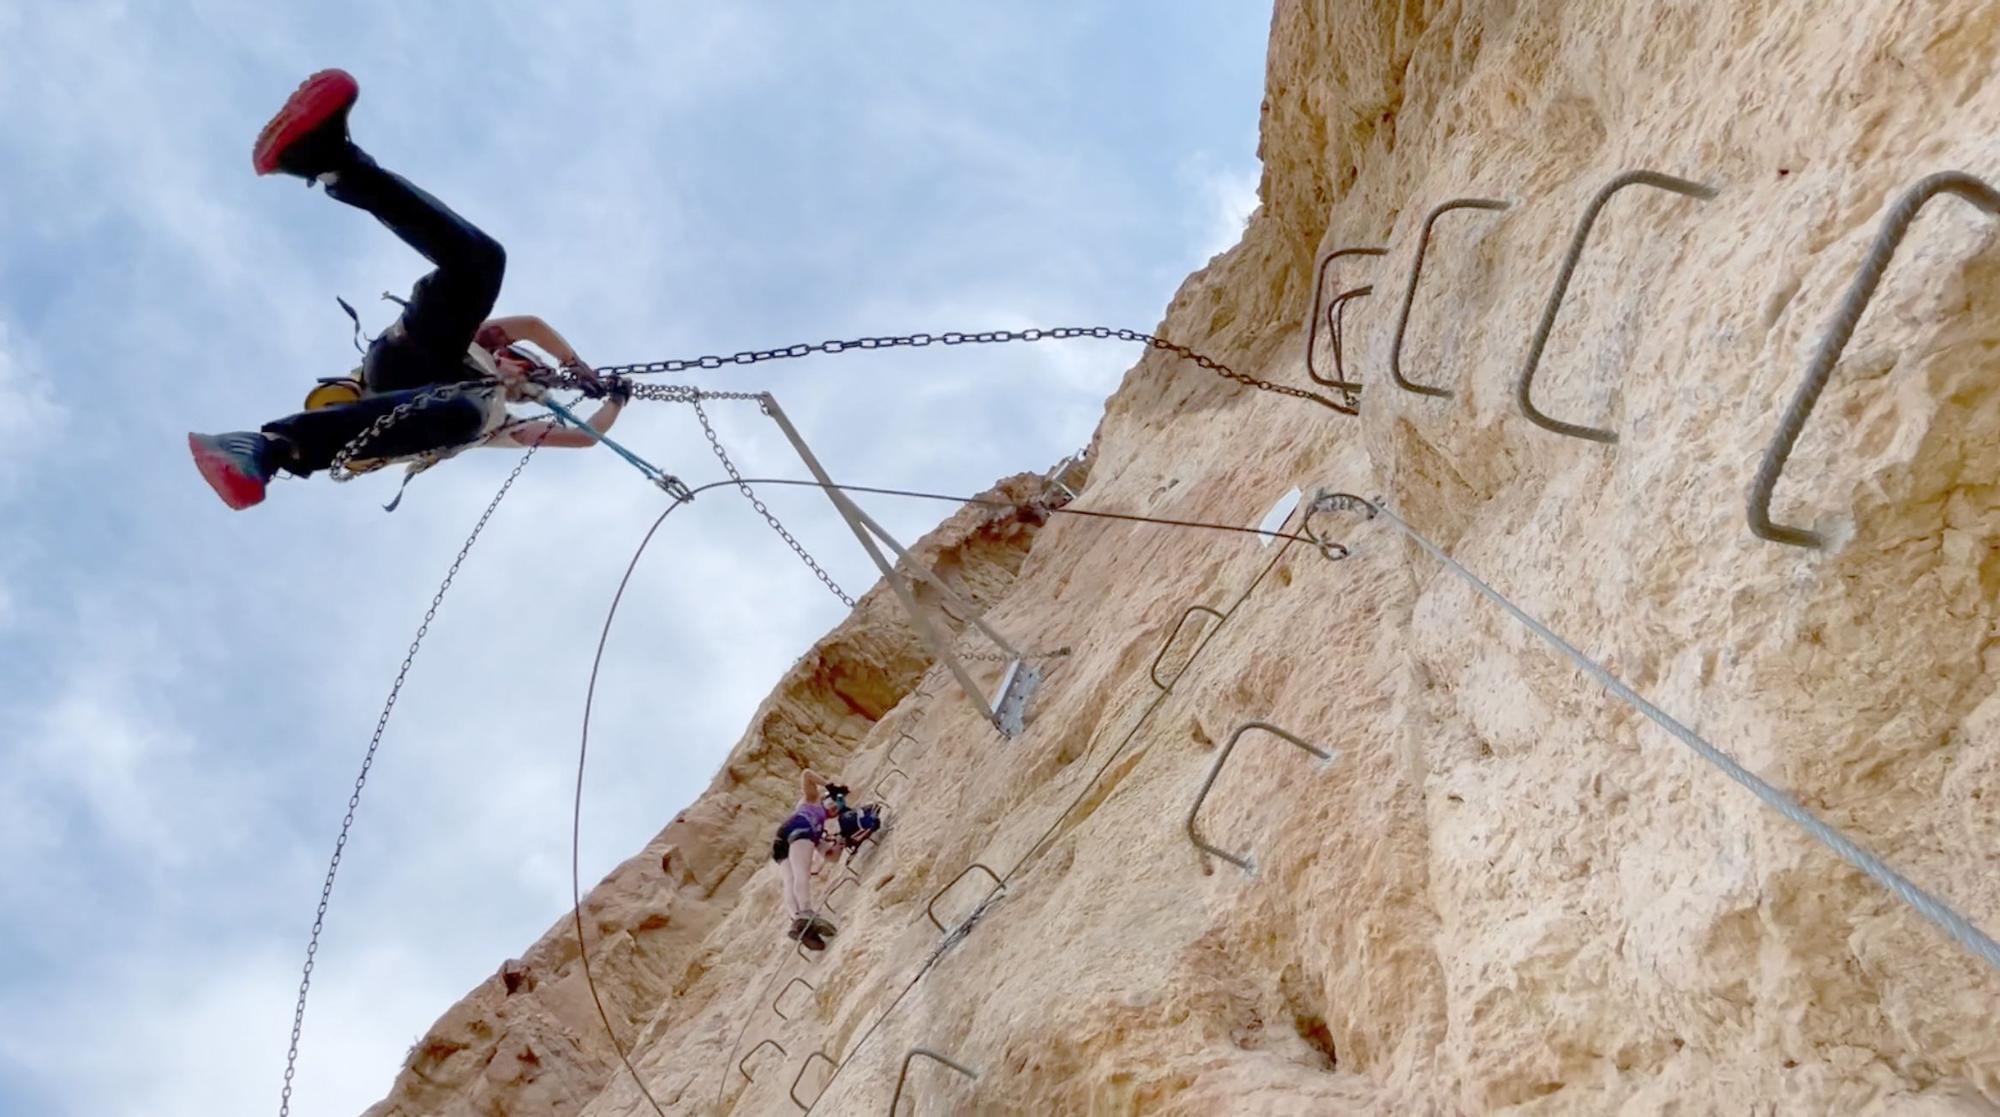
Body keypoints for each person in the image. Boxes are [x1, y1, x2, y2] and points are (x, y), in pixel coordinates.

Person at [187, 69, 623, 510]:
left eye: (528, 379)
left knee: (466, 416)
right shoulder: (480, 345)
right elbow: (529, 325)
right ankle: (331, 161)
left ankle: (273, 448)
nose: (521, 375)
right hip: (406, 354)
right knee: (482, 262)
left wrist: (616, 404)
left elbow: (581, 440)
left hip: (414, 403)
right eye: (524, 365)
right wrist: (576, 365)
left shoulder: (497, 421)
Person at [770, 767, 845, 950]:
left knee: (790, 880)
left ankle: (798, 921)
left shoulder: (818, 830)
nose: (835, 808)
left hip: (781, 841)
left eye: (838, 809)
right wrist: (830, 785)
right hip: (799, 828)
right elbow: (806, 774)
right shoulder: (812, 801)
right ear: (826, 799)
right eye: (834, 802)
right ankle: (805, 911)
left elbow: (831, 857)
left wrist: (841, 842)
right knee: (801, 872)